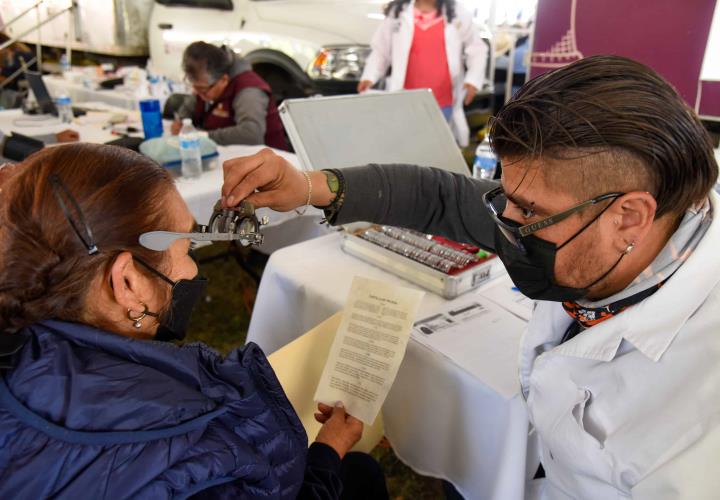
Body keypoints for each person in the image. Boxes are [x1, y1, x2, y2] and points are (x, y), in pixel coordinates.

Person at [221, 55, 720, 499]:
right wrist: (310, 186)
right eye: (508, 200)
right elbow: (444, 197)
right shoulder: (633, 221)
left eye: (530, 211)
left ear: (631, 216)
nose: (506, 224)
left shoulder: (694, 432)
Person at [0, 143, 388, 499]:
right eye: (187, 244)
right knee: (360, 472)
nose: (191, 268)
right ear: (127, 282)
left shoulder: (19, 345)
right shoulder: (187, 453)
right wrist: (329, 448)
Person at [357, 0, 487, 147]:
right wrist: (369, 76)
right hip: (405, 100)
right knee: (404, 147)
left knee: (436, 151)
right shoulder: (398, 12)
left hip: (442, 102)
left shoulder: (457, 12)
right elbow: (381, 50)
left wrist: (473, 80)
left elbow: (477, 49)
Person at [172, 41, 288, 150]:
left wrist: (202, 136)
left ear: (224, 80)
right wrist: (181, 121)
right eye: (194, 87)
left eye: (202, 89)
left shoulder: (249, 91)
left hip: (268, 160)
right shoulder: (207, 84)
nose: (196, 93)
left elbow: (251, 134)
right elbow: (190, 107)